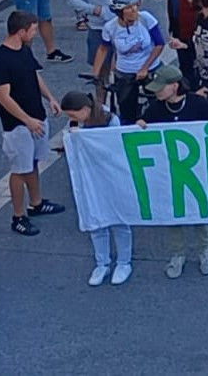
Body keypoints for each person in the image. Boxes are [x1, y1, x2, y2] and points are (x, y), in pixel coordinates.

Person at [134, 64, 208, 277]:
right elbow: (142, 127)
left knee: (201, 212)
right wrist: (140, 126)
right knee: (173, 214)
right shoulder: (155, 108)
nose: (156, 92)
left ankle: (205, 250)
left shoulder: (198, 104)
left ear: (175, 86)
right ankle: (177, 253)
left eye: (161, 87)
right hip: (168, 173)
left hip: (197, 171)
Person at [0, 11, 67, 237]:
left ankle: (36, 203)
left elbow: (34, 75)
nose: (35, 33)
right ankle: (18, 216)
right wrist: (27, 120)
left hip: (36, 118)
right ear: (21, 31)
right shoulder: (0, 60)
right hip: (18, 126)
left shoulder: (24, 49)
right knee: (19, 170)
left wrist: (50, 98)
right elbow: (4, 97)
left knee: (32, 164)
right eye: (33, 29)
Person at [60, 91, 134, 286]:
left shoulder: (111, 120)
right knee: (96, 219)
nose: (71, 119)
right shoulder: (76, 124)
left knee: (119, 219)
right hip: (90, 179)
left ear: (85, 109)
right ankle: (102, 263)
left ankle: (124, 262)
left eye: (73, 115)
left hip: (113, 178)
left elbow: (114, 148)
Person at [92, 0, 166, 121]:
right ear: (119, 11)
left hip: (150, 67)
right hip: (125, 70)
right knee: (126, 108)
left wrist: (145, 68)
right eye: (128, 7)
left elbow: (159, 44)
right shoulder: (110, 27)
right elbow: (103, 49)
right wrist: (96, 73)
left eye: (135, 6)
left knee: (159, 103)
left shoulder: (146, 18)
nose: (134, 10)